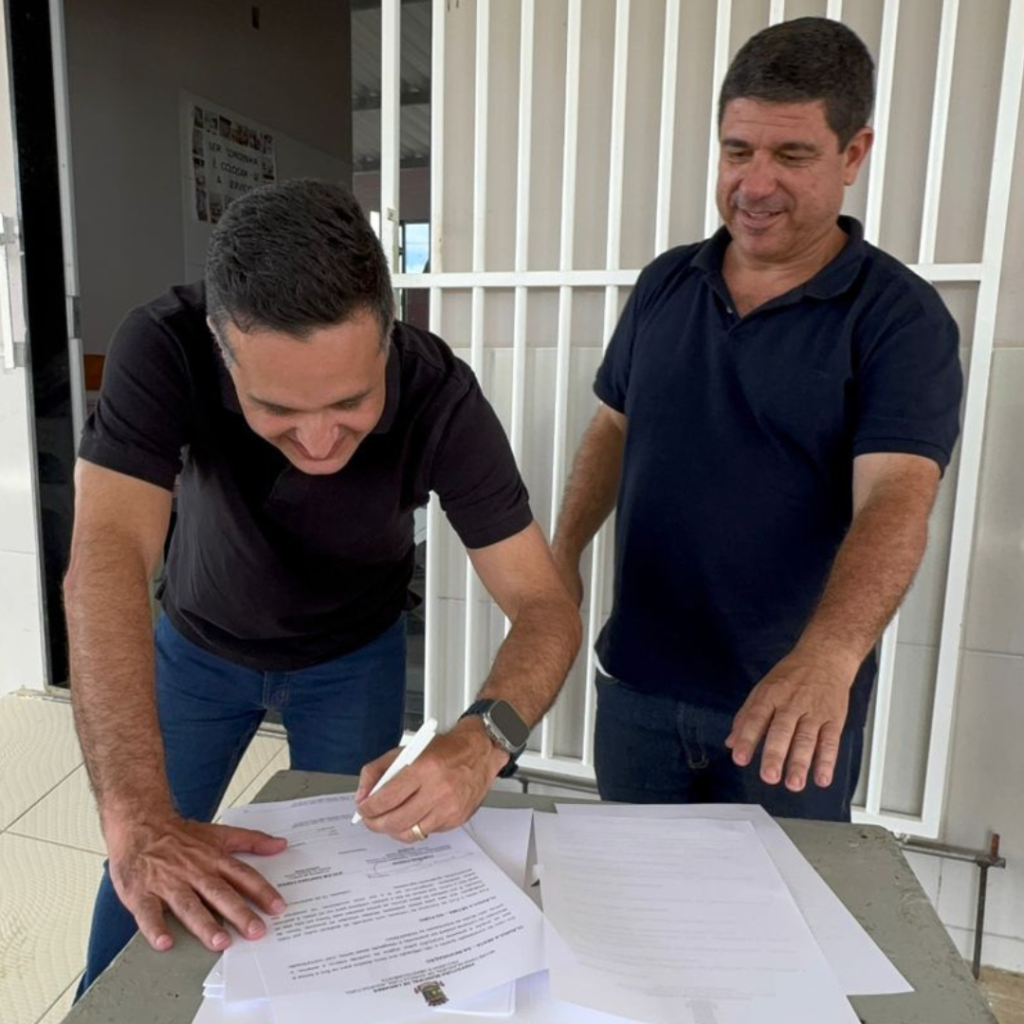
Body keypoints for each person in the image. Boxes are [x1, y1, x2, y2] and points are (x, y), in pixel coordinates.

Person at [66, 179, 581, 993]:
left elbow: (545, 605)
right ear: (220, 348)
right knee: (147, 864)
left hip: (352, 656)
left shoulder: (441, 396)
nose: (317, 441)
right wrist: (133, 818)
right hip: (197, 644)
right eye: (276, 409)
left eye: (351, 403)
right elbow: (106, 561)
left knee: (355, 868)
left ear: (388, 338)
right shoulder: (162, 346)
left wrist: (485, 738)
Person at [551, 17, 962, 821]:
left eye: (792, 155)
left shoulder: (899, 318)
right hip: (638, 688)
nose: (756, 184)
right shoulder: (666, 284)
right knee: (632, 888)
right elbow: (613, 429)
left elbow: (896, 498)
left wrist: (830, 655)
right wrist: (563, 556)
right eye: (738, 151)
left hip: (788, 707)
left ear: (853, 154)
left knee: (777, 898)